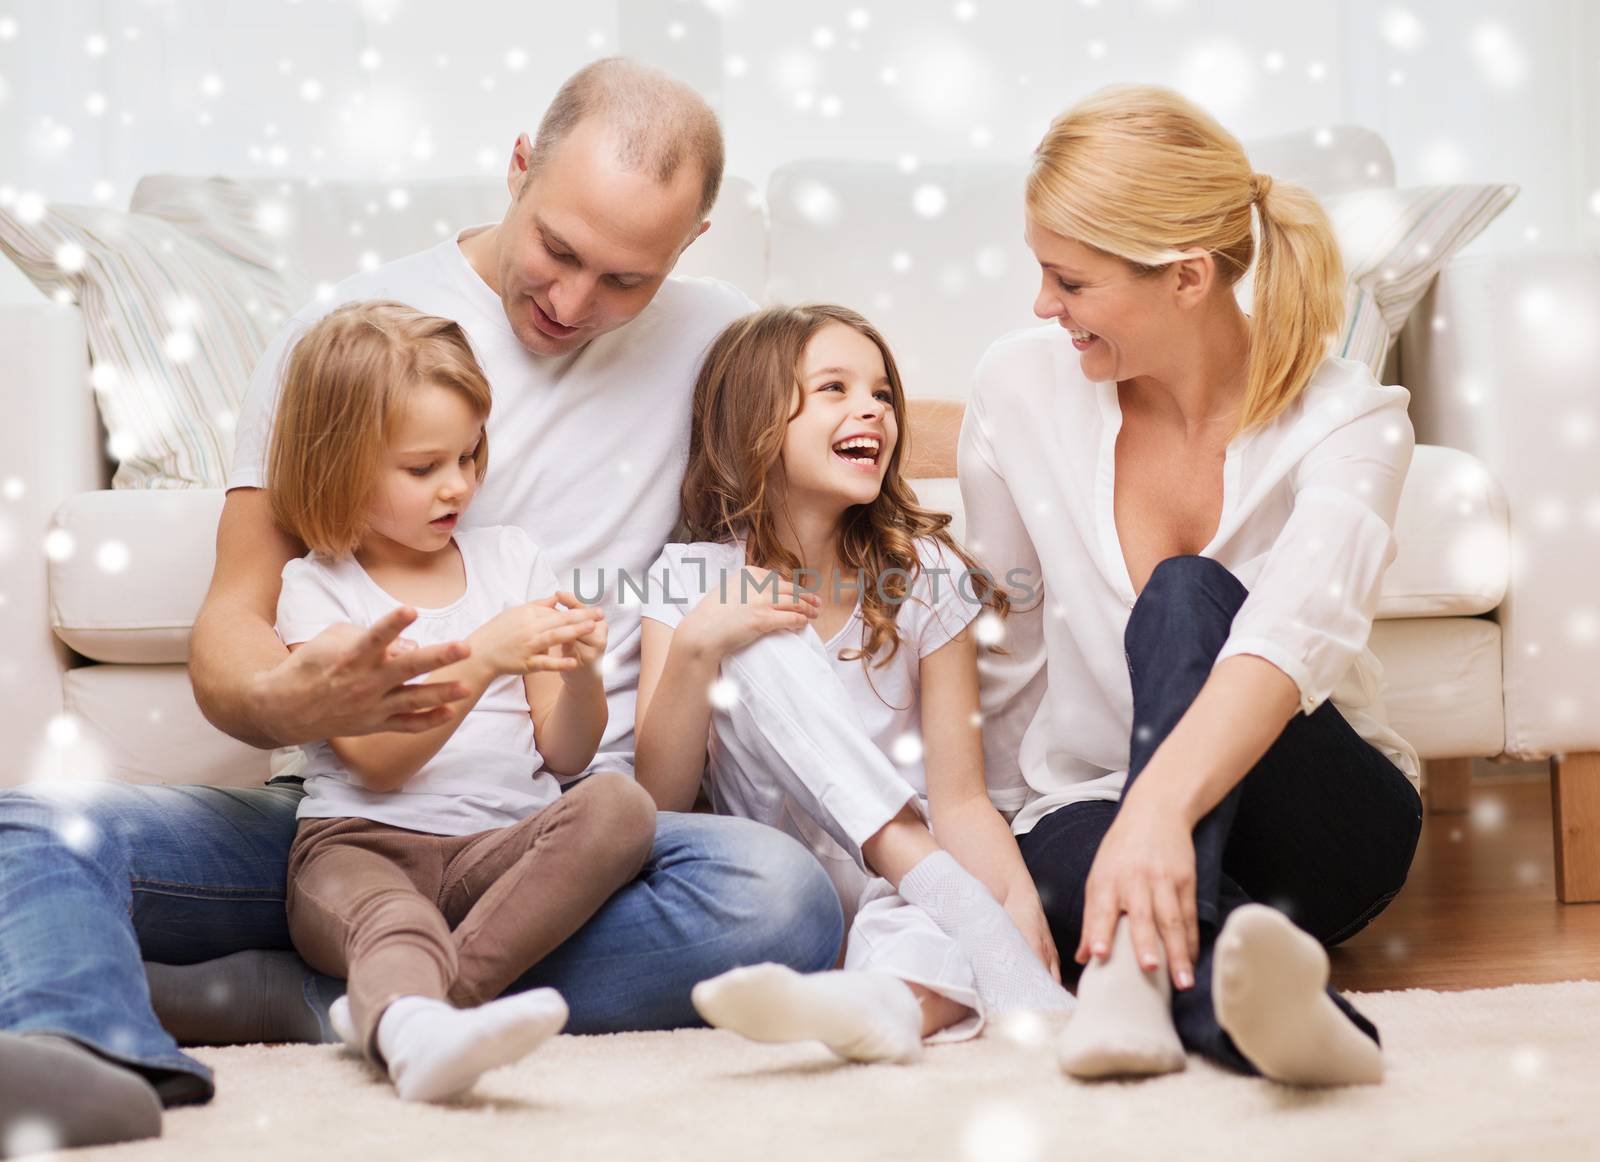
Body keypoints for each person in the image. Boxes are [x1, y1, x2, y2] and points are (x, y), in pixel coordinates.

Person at [0, 59, 842, 1153]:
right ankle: (85, 1049)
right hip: (347, 822)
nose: (574, 304)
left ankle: (333, 1002)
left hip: (549, 844)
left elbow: (855, 430)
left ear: (691, 245)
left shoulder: (718, 339)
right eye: (558, 249)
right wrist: (288, 691)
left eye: (627, 280)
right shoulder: (347, 338)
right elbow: (235, 620)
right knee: (34, 826)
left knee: (782, 897)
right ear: (518, 169)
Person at [959, 84, 1423, 1087]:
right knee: (1043, 864)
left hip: (1315, 822)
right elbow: (1010, 643)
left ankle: (1131, 964)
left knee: (1186, 592)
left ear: (1186, 277)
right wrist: (982, 839)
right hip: (1092, 803)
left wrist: (1157, 810)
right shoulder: (1015, 390)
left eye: (1067, 281)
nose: (1043, 307)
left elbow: (1287, 640)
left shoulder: (1351, 420)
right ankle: (1242, 1005)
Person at [634, 304, 1072, 1066]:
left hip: (908, 882)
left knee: (922, 929)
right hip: (774, 886)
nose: (871, 407)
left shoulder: (925, 573)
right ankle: (938, 907)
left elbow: (961, 797)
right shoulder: (691, 579)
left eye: (881, 394)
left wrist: (1012, 902)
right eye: (833, 388)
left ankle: (885, 1007)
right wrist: (698, 648)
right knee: (749, 621)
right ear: (754, 421)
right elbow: (662, 802)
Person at [267, 300, 667, 1103]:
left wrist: (582, 670)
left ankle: (413, 1015)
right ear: (339, 464)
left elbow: (565, 754)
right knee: (399, 925)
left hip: (497, 849)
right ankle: (416, 1021)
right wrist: (484, 657)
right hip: (362, 848)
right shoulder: (317, 588)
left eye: (470, 455)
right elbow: (377, 763)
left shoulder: (510, 556)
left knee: (619, 805)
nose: (458, 485)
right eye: (423, 469)